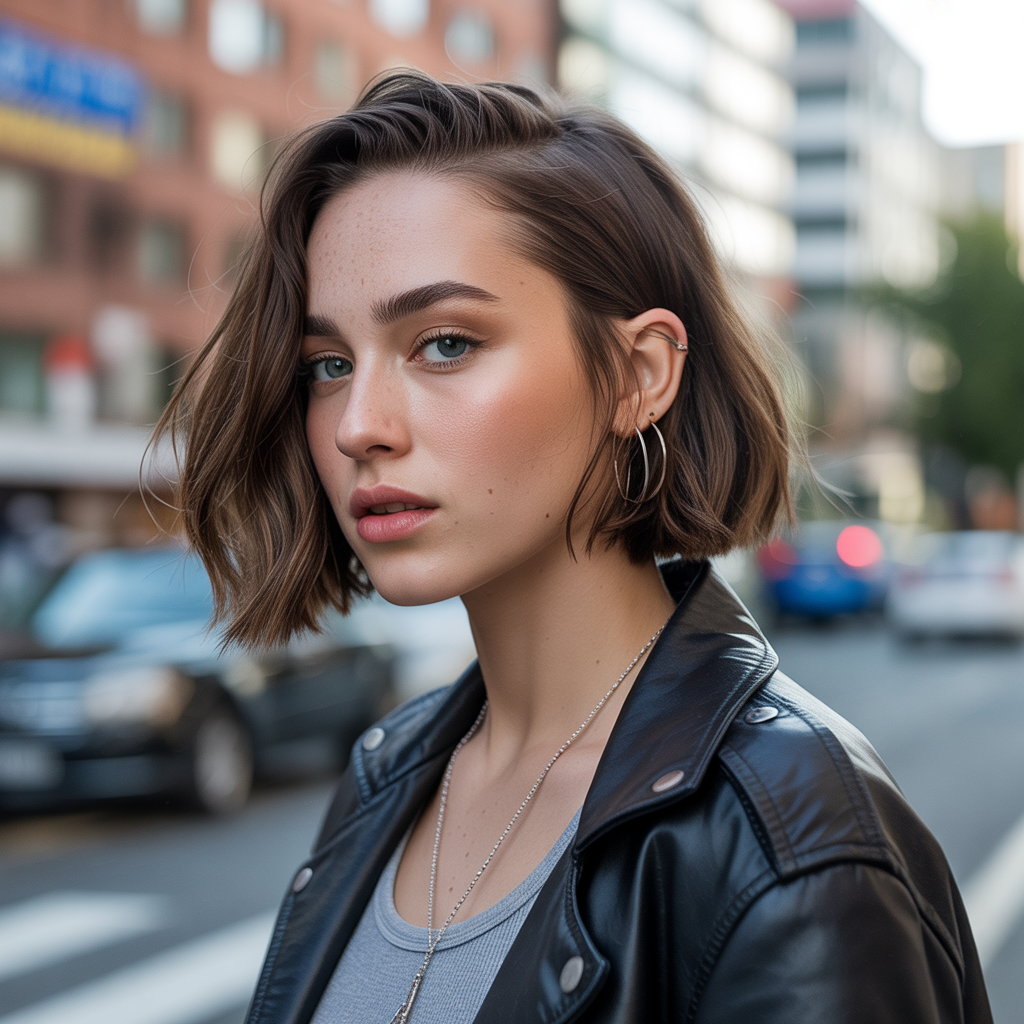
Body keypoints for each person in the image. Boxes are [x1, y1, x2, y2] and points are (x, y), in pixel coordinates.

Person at [158, 72, 991, 1024]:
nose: (357, 425)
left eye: (444, 344)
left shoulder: (793, 843)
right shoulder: (388, 773)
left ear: (639, 375)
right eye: (329, 364)